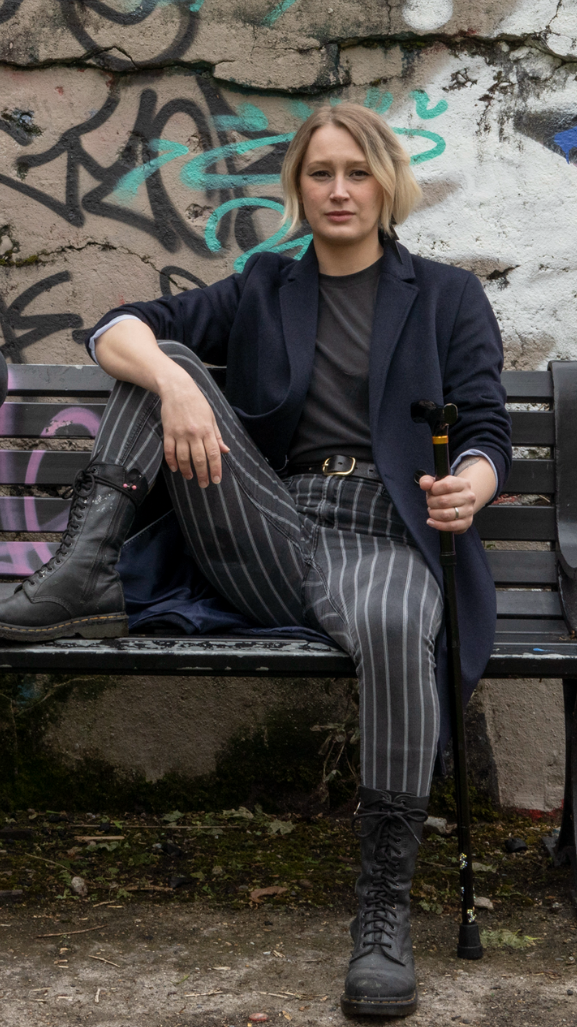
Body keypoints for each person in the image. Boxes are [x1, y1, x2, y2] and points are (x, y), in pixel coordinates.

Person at [0, 104, 511, 1017]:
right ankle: (83, 570)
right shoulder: (265, 285)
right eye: (320, 173)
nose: (339, 189)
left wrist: (471, 483)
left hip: (387, 530)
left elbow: (482, 428)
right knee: (167, 359)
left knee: (397, 625)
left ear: (386, 180)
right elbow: (115, 326)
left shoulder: (444, 295)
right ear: (297, 188)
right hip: (269, 522)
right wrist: (174, 385)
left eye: (356, 171)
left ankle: (381, 919)